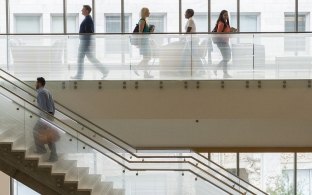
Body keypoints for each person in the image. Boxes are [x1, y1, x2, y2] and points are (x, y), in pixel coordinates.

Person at [71, 5, 109, 80]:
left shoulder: (88, 19)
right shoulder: (87, 19)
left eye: (83, 9)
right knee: (91, 58)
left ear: (87, 11)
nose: (81, 10)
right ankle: (105, 71)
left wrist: (87, 44)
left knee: (80, 59)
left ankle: (79, 75)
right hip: (85, 42)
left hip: (85, 42)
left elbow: (89, 32)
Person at [33, 77, 58, 162]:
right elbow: (53, 107)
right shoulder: (47, 91)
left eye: (36, 83)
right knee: (49, 135)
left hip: (45, 117)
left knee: (35, 131)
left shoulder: (41, 93)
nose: (35, 84)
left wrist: (45, 121)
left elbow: (43, 108)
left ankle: (42, 150)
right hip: (49, 116)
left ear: (39, 83)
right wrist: (51, 117)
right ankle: (53, 155)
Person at [213, 10, 237, 78]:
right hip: (222, 43)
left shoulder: (226, 23)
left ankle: (219, 70)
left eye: (227, 15)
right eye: (225, 15)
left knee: (227, 58)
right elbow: (218, 34)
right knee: (226, 58)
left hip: (225, 42)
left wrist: (232, 31)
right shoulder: (221, 23)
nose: (226, 16)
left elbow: (227, 34)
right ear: (222, 16)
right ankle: (224, 73)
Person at [133, 7, 153, 78]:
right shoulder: (142, 21)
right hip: (144, 43)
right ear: (145, 13)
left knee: (147, 57)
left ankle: (145, 73)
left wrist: (151, 31)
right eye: (148, 11)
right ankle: (137, 68)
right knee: (147, 57)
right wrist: (139, 43)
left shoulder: (145, 21)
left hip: (146, 42)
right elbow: (140, 33)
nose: (149, 13)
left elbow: (145, 33)